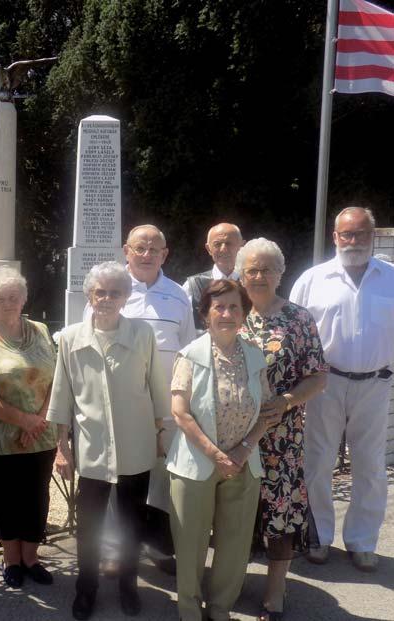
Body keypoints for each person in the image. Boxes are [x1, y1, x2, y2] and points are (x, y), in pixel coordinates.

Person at [48, 261, 170, 621]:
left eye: (115, 292)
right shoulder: (71, 338)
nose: (106, 298)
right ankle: (86, 590)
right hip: (92, 451)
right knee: (89, 528)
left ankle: (128, 587)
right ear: (90, 295)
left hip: (136, 447)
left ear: (125, 297)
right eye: (100, 291)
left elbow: (157, 389)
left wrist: (160, 433)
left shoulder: (142, 335)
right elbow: (62, 394)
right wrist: (62, 446)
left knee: (132, 523)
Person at [83, 224, 194, 575]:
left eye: (154, 250)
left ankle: (159, 547)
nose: (147, 255)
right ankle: (116, 549)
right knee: (118, 481)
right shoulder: (109, 291)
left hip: (166, 409)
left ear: (165, 254)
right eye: (139, 248)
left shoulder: (179, 295)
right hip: (118, 408)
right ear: (126, 251)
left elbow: (189, 352)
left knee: (161, 480)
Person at [167, 279, 280, 621]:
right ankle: (189, 610)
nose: (227, 313)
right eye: (219, 307)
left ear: (244, 314)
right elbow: (179, 412)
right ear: (206, 314)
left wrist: (244, 449)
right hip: (195, 463)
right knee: (191, 546)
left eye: (234, 307)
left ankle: (220, 609)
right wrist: (216, 454)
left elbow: (268, 411)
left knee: (234, 546)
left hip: (244, 464)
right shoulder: (189, 355)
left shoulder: (255, 356)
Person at [290, 207, 394, 572]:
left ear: (372, 236)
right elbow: (294, 333)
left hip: (376, 384)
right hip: (324, 383)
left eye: (361, 234)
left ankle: (363, 542)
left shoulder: (391, 279)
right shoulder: (312, 280)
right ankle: (317, 537)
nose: (353, 242)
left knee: (370, 467)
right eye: (346, 234)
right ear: (334, 237)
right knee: (316, 463)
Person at [237, 238, 327, 620]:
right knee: (235, 509)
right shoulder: (229, 312)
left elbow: (319, 376)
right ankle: (230, 580)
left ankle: (275, 591)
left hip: (280, 435)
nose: (258, 276)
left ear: (280, 274)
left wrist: (287, 400)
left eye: (266, 269)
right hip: (235, 432)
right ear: (241, 275)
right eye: (251, 270)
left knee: (280, 511)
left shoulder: (298, 318)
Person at [0, 266, 57, 588]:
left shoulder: (42, 330)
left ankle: (31, 558)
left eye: (14, 296)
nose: (8, 302)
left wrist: (40, 419)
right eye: (0, 297)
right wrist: (24, 420)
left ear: (24, 298)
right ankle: (11, 560)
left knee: (36, 497)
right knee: (3, 499)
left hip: (41, 437)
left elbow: (56, 379)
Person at [183, 223, 245, 330]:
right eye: (217, 244)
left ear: (242, 246)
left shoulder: (252, 284)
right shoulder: (193, 286)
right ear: (208, 249)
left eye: (229, 243)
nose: (223, 249)